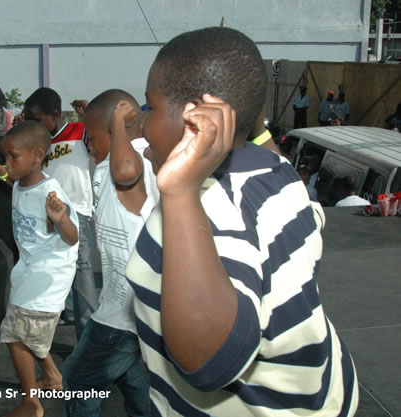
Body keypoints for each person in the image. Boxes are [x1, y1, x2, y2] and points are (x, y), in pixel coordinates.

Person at [125, 27, 358, 416]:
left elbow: (210, 361)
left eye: (150, 106)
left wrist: (180, 193)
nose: (144, 124)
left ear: (197, 120)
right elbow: (310, 221)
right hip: (322, 395)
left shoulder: (202, 209)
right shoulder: (278, 171)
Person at [62, 90, 157, 417]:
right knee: (126, 371)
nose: (87, 142)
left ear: (116, 133)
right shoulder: (124, 159)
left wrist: (115, 122)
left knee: (78, 376)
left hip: (124, 308)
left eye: (92, 135)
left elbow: (127, 169)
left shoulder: (130, 163)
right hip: (127, 302)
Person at [0, 121, 78, 417]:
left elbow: (72, 237)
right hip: (28, 270)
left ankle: (31, 403)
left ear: (37, 155)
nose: (7, 163)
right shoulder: (22, 182)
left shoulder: (50, 193)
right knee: (31, 333)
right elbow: (10, 180)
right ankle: (53, 377)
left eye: (12, 157)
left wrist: (62, 218)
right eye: (5, 156)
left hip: (47, 277)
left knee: (16, 335)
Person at [22, 87, 97, 340]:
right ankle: (69, 313)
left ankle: (88, 334)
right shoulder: (39, 143)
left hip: (76, 212)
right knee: (52, 266)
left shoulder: (78, 131)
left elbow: (101, 131)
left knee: (82, 268)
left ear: (54, 115)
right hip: (48, 215)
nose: (34, 125)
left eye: (37, 119)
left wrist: (89, 114)